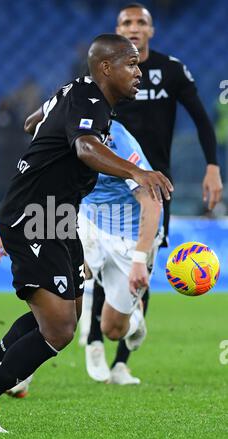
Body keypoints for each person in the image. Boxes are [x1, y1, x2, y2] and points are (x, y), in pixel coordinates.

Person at [0, 34, 173, 433]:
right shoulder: (90, 103)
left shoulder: (80, 93)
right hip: (35, 215)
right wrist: (137, 170)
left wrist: (41, 118)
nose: (139, 72)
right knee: (59, 330)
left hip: (57, 215)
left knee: (64, 313)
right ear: (105, 68)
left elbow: (33, 118)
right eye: (131, 64)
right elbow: (86, 149)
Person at [84, 2, 223, 384]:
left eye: (140, 22)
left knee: (140, 267)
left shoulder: (171, 70)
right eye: (126, 21)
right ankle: (94, 337)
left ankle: (121, 363)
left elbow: (201, 120)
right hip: (106, 185)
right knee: (97, 265)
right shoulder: (106, 71)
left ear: (151, 31)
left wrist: (213, 167)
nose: (133, 27)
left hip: (155, 184)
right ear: (117, 29)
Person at [79, 119, 163, 384]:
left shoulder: (119, 142)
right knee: (59, 298)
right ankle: (16, 373)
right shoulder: (66, 129)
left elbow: (151, 200)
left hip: (127, 235)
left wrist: (140, 259)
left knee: (113, 329)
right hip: (88, 221)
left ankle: (134, 321)